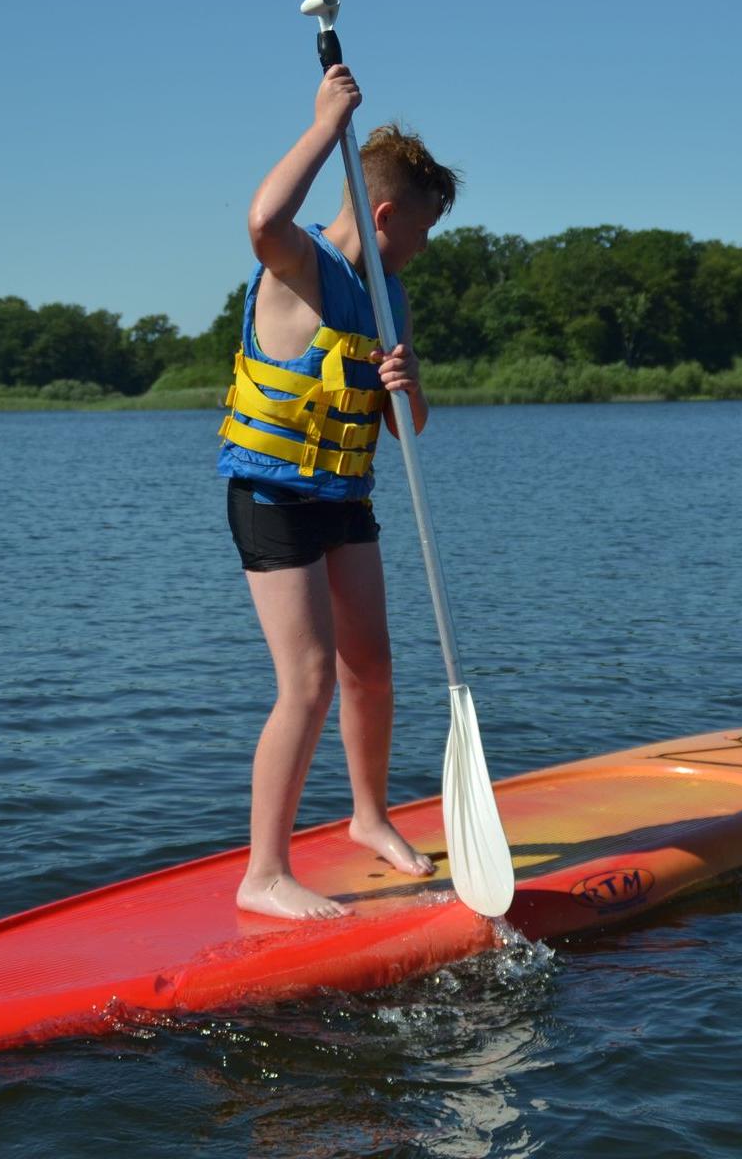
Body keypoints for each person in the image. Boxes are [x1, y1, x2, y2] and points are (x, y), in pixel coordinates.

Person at [217, 62, 460, 920]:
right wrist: (325, 122)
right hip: (274, 496)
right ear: (386, 214)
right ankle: (265, 873)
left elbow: (409, 432)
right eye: (422, 234)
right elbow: (261, 217)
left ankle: (368, 818)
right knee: (310, 679)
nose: (424, 253)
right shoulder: (300, 264)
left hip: (344, 498)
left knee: (373, 671)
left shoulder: (388, 296)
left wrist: (411, 383)